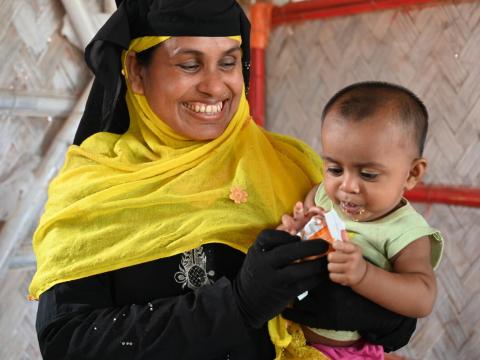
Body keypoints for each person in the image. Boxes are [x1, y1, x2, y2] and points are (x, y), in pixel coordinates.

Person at [29, 1, 418, 359]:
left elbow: (401, 308)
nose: (215, 87)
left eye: (228, 63)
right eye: (189, 65)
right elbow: (68, 343)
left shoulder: (294, 166)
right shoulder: (94, 186)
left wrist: (364, 310)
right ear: (135, 71)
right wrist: (237, 305)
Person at [271, 82, 444, 359]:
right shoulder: (322, 198)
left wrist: (364, 275)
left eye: (368, 175)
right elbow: (294, 242)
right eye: (335, 169)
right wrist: (290, 233)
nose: (347, 186)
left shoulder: (406, 232)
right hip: (286, 335)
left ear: (412, 173)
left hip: (346, 353)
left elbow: (422, 297)